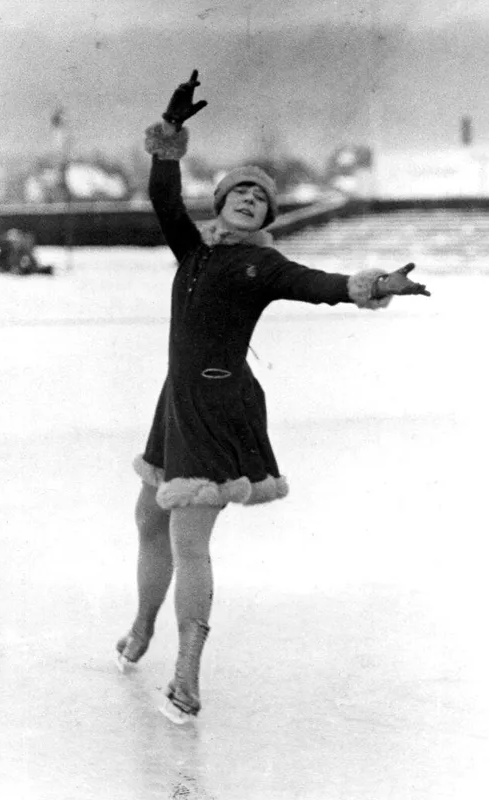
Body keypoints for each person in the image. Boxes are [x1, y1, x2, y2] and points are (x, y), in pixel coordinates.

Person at [116, 71, 430, 724]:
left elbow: (320, 282)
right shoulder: (194, 252)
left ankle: (185, 675)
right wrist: (170, 132)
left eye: (261, 199)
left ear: (266, 216)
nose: (251, 202)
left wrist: (370, 283)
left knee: (188, 539)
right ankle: (143, 626)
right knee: (149, 519)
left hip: (213, 406)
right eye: (241, 193)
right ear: (222, 202)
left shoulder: (262, 266)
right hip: (173, 400)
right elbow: (162, 195)